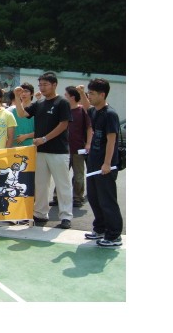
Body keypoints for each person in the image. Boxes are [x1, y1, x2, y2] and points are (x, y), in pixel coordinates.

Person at [13, 71, 73, 229]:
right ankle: (40, 213)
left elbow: (64, 124)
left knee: (63, 185)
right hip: (40, 150)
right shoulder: (39, 103)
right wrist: (18, 97)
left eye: (45, 84)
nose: (42, 87)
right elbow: (21, 113)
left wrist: (45, 138)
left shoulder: (62, 102)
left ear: (54, 85)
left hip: (59, 151)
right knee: (40, 184)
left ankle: (66, 216)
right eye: (40, 85)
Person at [83, 78, 123, 247]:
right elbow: (87, 107)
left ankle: (114, 235)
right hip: (93, 164)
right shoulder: (94, 111)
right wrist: (81, 93)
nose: (89, 96)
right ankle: (100, 229)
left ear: (102, 94)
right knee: (94, 198)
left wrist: (107, 164)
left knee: (107, 201)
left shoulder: (110, 114)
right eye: (88, 93)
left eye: (91, 93)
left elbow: (112, 141)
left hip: (105, 166)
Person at [64, 85, 92, 208]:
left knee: (78, 175)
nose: (64, 96)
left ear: (72, 97)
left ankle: (77, 197)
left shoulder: (82, 111)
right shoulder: (64, 110)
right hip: (63, 148)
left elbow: (89, 128)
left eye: (66, 95)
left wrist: (88, 143)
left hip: (78, 148)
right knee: (61, 174)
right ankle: (57, 196)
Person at [10, 83, 35, 147]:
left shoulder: (36, 109)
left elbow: (41, 131)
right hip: (15, 146)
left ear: (32, 93)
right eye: (21, 92)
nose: (23, 94)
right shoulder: (12, 110)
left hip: (30, 146)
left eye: (26, 91)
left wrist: (26, 136)